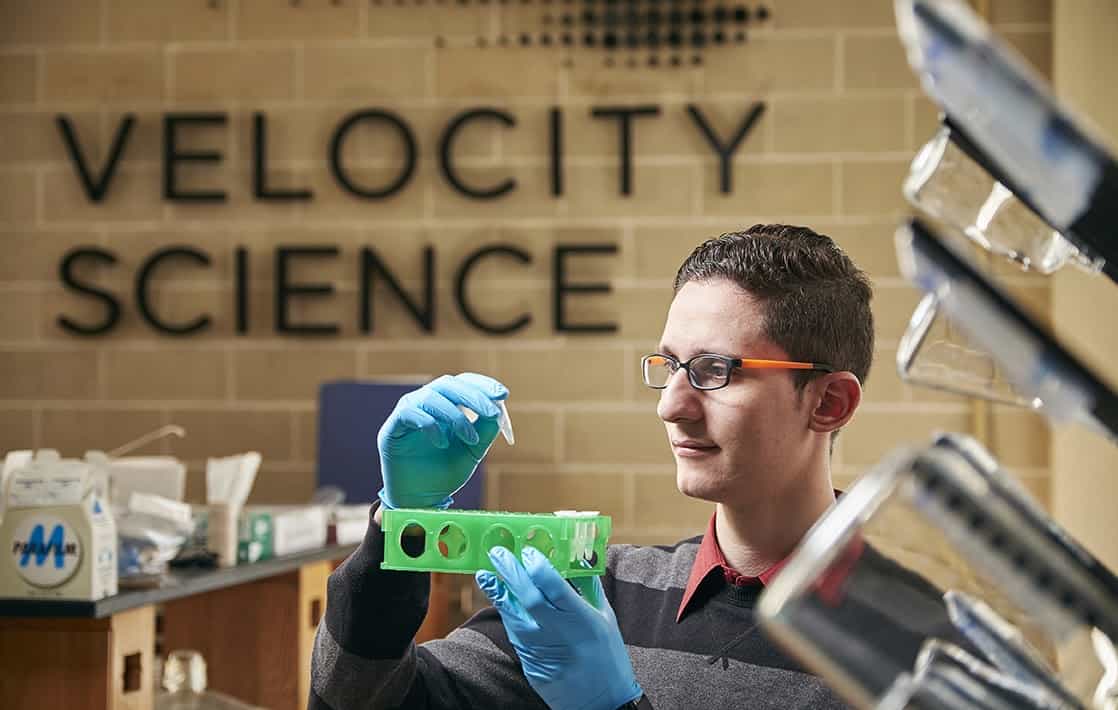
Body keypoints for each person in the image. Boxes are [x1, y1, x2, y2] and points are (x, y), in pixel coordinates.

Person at [308, 225, 948, 710]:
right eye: (671, 366)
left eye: (715, 371)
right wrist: (404, 528)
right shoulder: (601, 594)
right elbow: (358, 700)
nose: (673, 405)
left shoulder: (922, 657)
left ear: (829, 401)